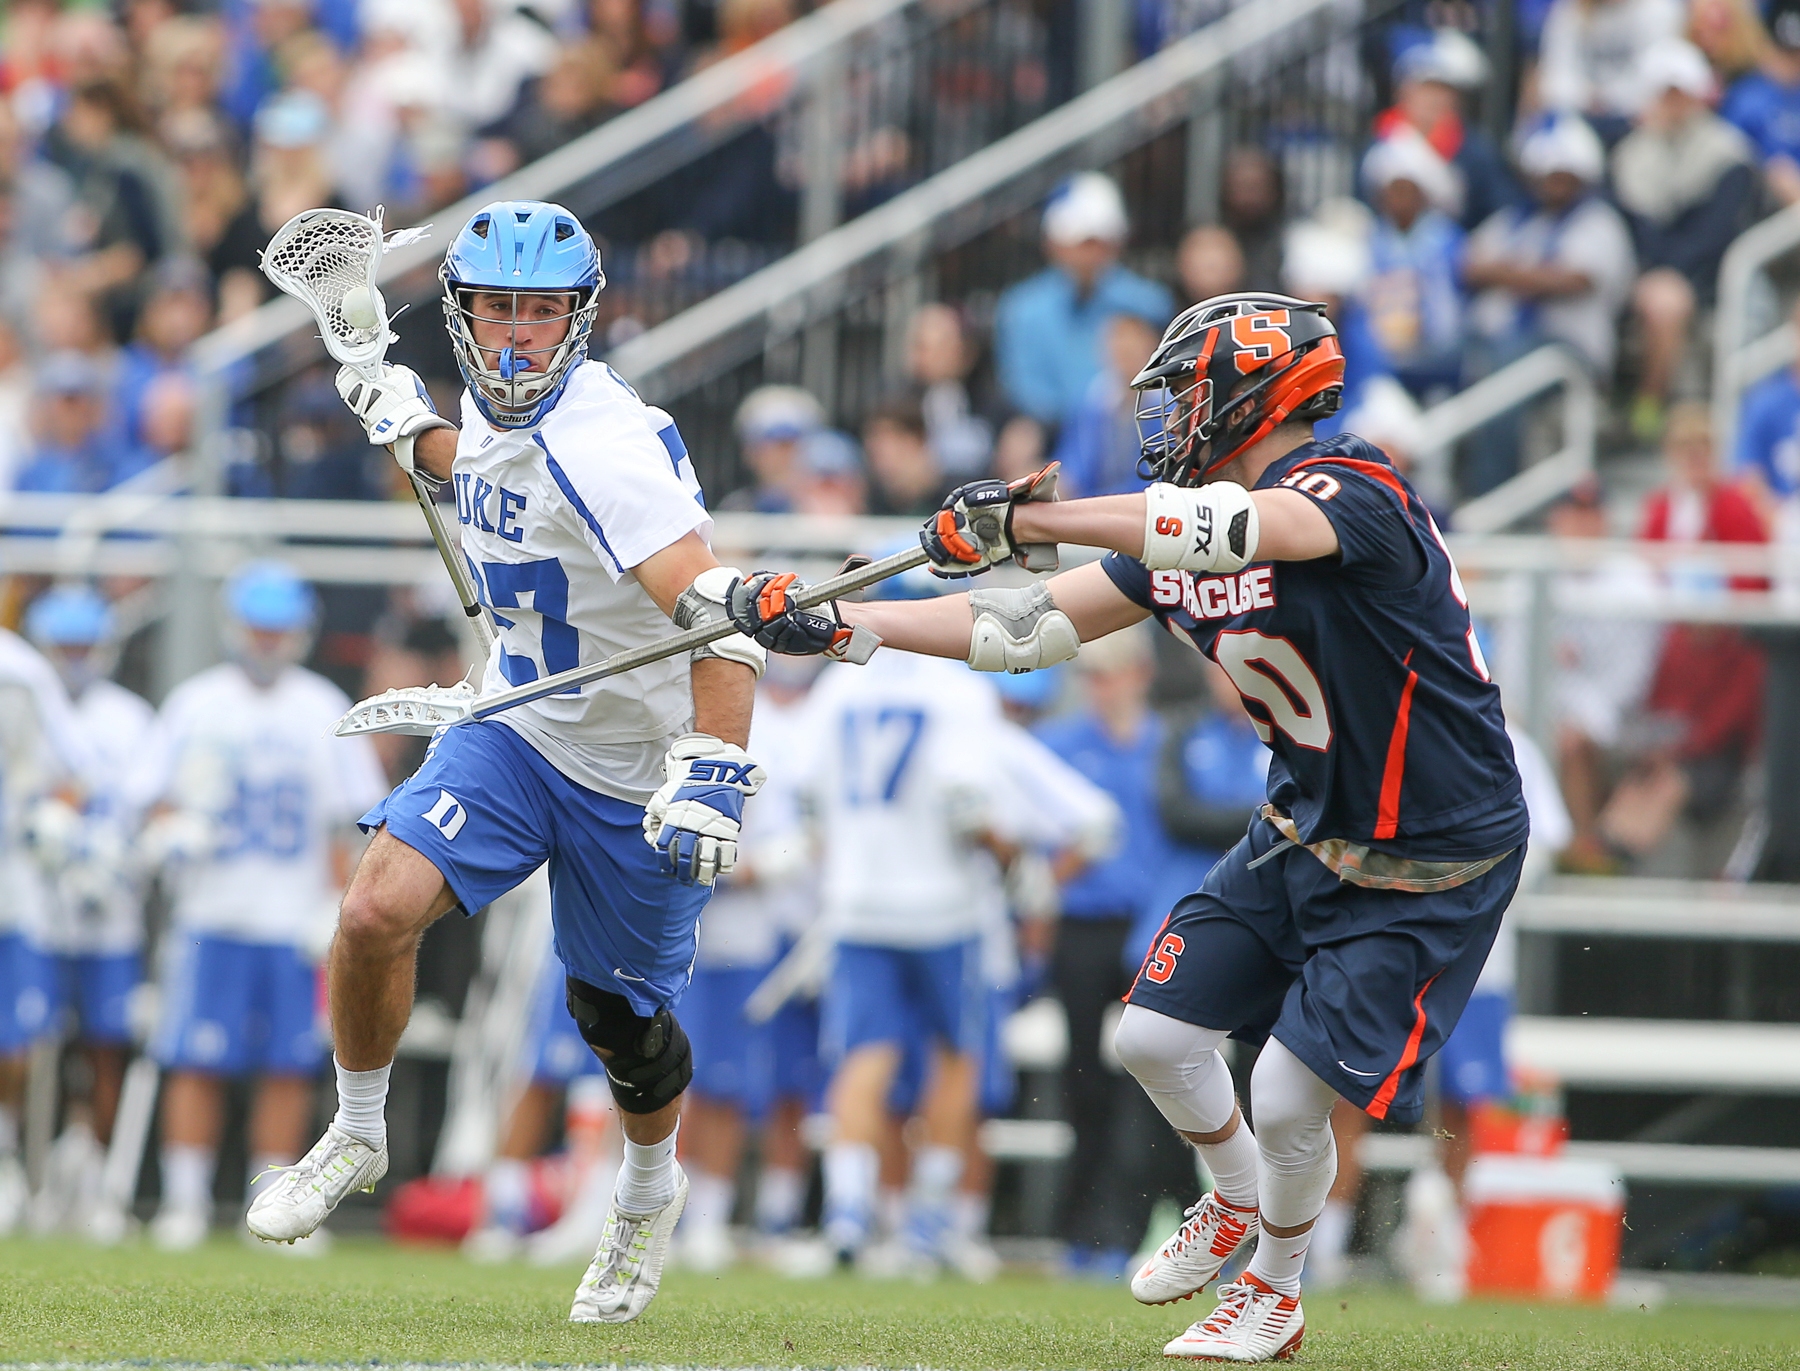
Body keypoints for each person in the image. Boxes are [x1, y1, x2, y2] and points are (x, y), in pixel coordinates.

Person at [729, 291, 1527, 1361]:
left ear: (1254, 392)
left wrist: (1032, 523)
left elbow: (1246, 531)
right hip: (1305, 826)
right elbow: (1026, 628)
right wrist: (843, 623)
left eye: (1184, 392)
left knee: (1288, 1090)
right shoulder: (1183, 529)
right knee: (1150, 1035)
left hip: (1427, 852)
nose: (1165, 418)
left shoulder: (1354, 485)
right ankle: (1234, 1195)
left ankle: (1276, 1291)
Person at [246, 201, 770, 1327]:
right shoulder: (497, 406)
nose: (518, 333)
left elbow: (721, 626)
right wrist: (399, 414)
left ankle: (646, 1189)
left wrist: (716, 770)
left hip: (629, 767)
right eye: (497, 308)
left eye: (540, 311)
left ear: (579, 317)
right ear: (463, 313)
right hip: (520, 726)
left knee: (616, 1022)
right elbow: (481, 461)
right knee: (374, 910)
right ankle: (359, 1128)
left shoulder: (605, 448)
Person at [133, 563, 386, 1252]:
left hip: (290, 918)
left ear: (300, 633)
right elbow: (151, 798)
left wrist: (337, 905)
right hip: (210, 913)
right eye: (258, 628)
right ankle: (184, 1201)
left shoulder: (321, 706)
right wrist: (173, 829)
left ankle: (268, 1199)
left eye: (279, 629)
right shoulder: (197, 703)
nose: (267, 641)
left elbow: (349, 823)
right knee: (196, 1060)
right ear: (234, 628)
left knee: (288, 1065)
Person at [1032, 624, 1184, 1280]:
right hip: (1082, 925)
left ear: (1141, 675)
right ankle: (1081, 1223)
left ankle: (1136, 1218)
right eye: (1092, 675)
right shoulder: (1057, 746)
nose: (1102, 687)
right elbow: (1034, 842)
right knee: (1083, 1080)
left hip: (1155, 930)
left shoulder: (1170, 745)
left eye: (1113, 672)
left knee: (1147, 1084)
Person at [17, 586, 152, 1238]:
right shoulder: (26, 706)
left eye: (83, 645)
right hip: (37, 907)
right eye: (63, 646)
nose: (74, 658)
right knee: (24, 1042)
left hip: (110, 907)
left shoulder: (129, 717)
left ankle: (98, 1174)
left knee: (105, 1043)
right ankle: (20, 1168)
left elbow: (150, 802)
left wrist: (121, 851)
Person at [1462, 114, 1635, 494]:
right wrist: (1530, 274)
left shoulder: (1599, 222)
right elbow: (1468, 265)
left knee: (1504, 378)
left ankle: (1491, 492)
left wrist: (1508, 272)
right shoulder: (1516, 220)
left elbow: (1574, 280)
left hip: (1569, 349)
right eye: (1547, 175)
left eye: (1563, 176)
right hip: (1498, 338)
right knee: (1442, 358)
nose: (1553, 183)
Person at [1614, 38, 1756, 441]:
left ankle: (1649, 404)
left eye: (1680, 93)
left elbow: (1716, 232)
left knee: (1668, 299)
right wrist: (1658, 270)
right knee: (1662, 296)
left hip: (1710, 275)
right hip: (1645, 273)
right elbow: (1637, 228)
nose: (1673, 103)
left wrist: (1672, 272)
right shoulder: (1633, 153)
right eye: (1665, 93)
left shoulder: (1727, 153)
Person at [994, 173, 1173, 428]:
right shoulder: (1021, 308)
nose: (1089, 255)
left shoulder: (1149, 303)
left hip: (1138, 427)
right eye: (1080, 243)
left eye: (1099, 243)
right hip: (1052, 433)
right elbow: (1025, 389)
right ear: (1052, 244)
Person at [1376, 29, 1519, 232]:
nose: (1433, 99)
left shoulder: (1474, 150)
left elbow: (1502, 207)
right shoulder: (1382, 142)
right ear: (1402, 92)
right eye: (1426, 89)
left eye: (1442, 91)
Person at [1360, 131, 1466, 402]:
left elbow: (1447, 311)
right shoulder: (1370, 237)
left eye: (1405, 190)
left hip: (1434, 355)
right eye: (1391, 190)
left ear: (1422, 194)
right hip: (1382, 356)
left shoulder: (1445, 238)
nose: (1397, 199)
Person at [1536, 0, 1684, 143]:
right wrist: (1586, 97)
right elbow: (1555, 75)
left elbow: (1657, 74)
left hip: (1637, 117)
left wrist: (1610, 98)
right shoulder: (1569, 10)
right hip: (1581, 116)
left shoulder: (1658, 9)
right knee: (1562, 147)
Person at [1052, 311, 1163, 498]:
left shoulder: (1166, 405)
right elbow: (1075, 461)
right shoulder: (1092, 401)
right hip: (1093, 500)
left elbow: (1157, 473)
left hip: (1145, 501)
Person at [1722, 0, 1800, 205]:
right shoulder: (1746, 97)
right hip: (1761, 203)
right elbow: (1729, 160)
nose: (1794, 64)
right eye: (1788, 55)